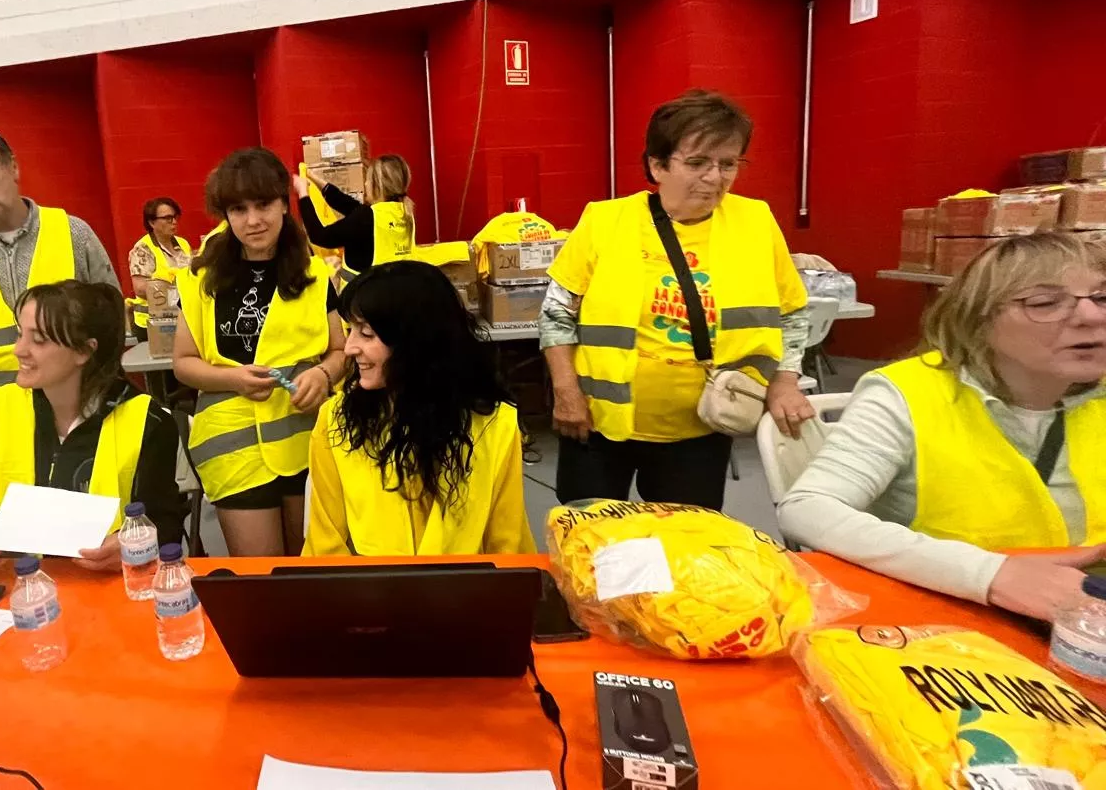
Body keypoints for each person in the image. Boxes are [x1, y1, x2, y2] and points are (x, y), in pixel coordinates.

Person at [778, 232, 1106, 623]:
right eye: (1045, 302)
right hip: (947, 621)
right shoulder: (909, 394)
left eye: (1102, 298)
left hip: (1084, 616)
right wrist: (987, 574)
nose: (1092, 317)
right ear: (977, 321)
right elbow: (808, 508)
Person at [539, 89, 813, 510]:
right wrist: (566, 391)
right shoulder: (605, 221)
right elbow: (556, 311)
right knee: (589, 531)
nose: (715, 177)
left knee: (688, 537)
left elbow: (792, 312)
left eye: (728, 163)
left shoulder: (755, 222)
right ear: (658, 165)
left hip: (701, 428)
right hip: (597, 424)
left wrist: (785, 382)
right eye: (697, 162)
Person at [172, 148, 348, 557]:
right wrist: (232, 379)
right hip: (232, 447)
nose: (253, 220)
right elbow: (183, 363)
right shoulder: (200, 279)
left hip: (306, 438)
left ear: (283, 204)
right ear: (226, 214)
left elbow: (341, 350)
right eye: (239, 209)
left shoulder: (314, 275)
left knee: (313, 566)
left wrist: (323, 374)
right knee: (263, 574)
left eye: (264, 204)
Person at [305, 261, 535, 555]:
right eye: (351, 330)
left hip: (467, 583)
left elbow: (508, 544)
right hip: (369, 584)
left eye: (367, 334)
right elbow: (324, 546)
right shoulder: (336, 420)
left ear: (414, 341)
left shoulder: (495, 423)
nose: (349, 348)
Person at [0, 281, 185, 568]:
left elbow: (165, 526)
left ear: (84, 351)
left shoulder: (148, 421)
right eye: (20, 334)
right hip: (24, 584)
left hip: (111, 585)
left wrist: (135, 545)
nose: (19, 350)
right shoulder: (1, 410)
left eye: (38, 340)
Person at [0, 123, 120, 390]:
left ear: (13, 167)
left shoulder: (72, 233)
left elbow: (113, 322)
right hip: (2, 408)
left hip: (76, 402)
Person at [296, 155, 417, 279]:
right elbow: (349, 205)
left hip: (363, 290)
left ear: (378, 186)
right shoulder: (405, 213)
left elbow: (319, 235)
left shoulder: (366, 218)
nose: (365, 183)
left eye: (368, 180)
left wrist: (303, 193)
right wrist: (315, 179)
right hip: (398, 287)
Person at [127, 197, 193, 338]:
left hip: (181, 318)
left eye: (175, 217)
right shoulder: (143, 248)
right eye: (168, 218)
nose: (174, 222)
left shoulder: (183, 243)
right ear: (152, 222)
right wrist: (175, 289)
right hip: (152, 323)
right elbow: (140, 289)